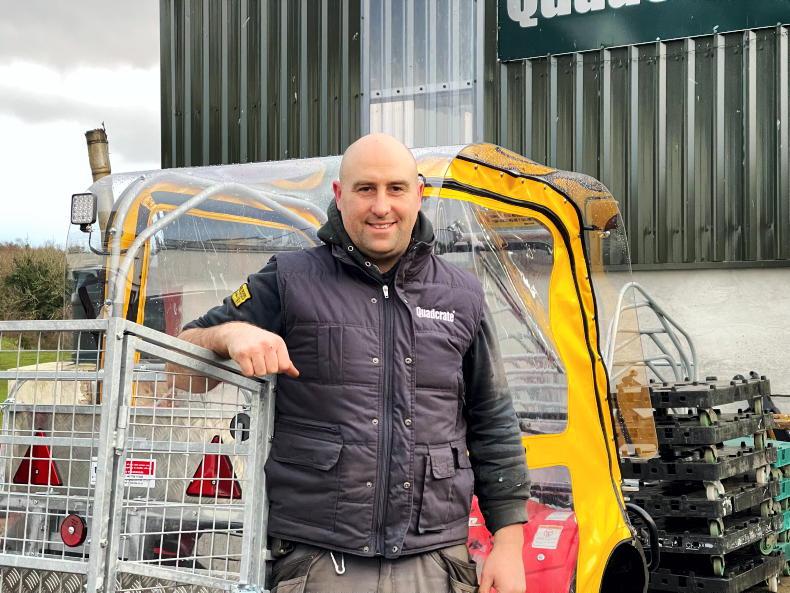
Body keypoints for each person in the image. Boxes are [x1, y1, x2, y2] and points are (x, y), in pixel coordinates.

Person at [179, 133, 530, 593]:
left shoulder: (462, 295)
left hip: (434, 561)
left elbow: (493, 418)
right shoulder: (289, 280)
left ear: (419, 194)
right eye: (366, 189)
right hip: (319, 562)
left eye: (395, 188)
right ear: (340, 195)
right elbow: (179, 365)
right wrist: (229, 334)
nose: (381, 206)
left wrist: (508, 543)